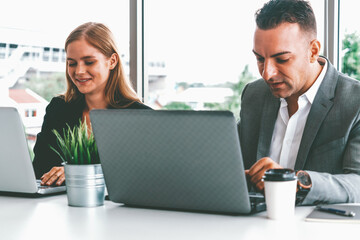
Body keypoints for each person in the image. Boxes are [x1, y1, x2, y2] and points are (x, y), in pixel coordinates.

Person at [239, 0, 360, 205]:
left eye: (282, 59)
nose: (267, 73)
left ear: (313, 51)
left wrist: (296, 180)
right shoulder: (254, 95)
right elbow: (233, 162)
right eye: (260, 59)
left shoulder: (355, 101)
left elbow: (357, 184)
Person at [32, 22, 151, 186]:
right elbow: (39, 169)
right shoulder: (58, 108)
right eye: (72, 63)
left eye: (89, 62)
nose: (79, 71)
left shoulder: (140, 116)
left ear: (112, 61)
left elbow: (144, 176)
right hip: (60, 207)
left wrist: (76, 173)